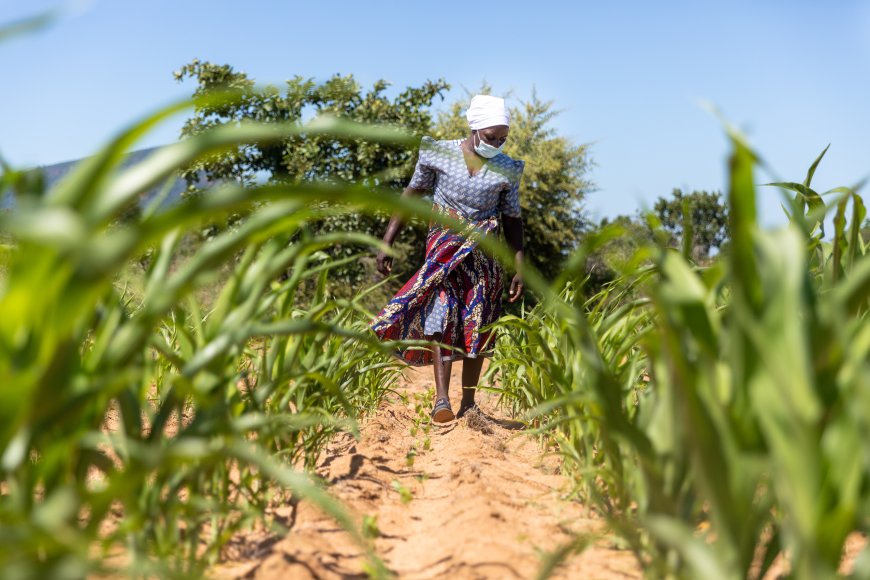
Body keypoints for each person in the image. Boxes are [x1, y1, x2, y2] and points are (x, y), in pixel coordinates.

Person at [370, 94, 525, 423]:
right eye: (490, 137)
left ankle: (469, 402)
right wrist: (387, 242)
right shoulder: (438, 153)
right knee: (439, 313)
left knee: (478, 320)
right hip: (442, 251)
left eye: (502, 138)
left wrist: (518, 269)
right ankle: (441, 400)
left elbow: (513, 221)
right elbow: (411, 195)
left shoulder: (508, 169)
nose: (497, 143)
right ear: (473, 128)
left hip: (482, 257)